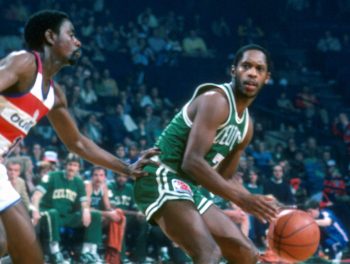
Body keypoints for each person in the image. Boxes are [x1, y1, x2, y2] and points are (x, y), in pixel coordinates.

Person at [0, 9, 158, 264]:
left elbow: (78, 143)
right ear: (50, 36)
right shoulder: (23, 62)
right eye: (71, 34)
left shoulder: (55, 95)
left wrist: (127, 169)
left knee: (19, 252)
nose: (78, 41)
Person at [134, 44, 279, 263]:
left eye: (259, 69)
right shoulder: (216, 100)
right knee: (209, 253)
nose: (252, 73)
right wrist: (242, 198)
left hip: (188, 187)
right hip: (160, 175)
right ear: (233, 70)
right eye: (246, 66)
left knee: (247, 254)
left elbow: (225, 178)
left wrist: (262, 204)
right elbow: (191, 162)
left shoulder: (246, 126)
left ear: (267, 78)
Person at [305, 200, 349, 264]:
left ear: (317, 209)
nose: (309, 214)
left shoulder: (326, 212)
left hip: (341, 240)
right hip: (329, 244)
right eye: (307, 212)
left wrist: (309, 222)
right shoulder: (314, 221)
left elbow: (327, 222)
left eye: (310, 211)